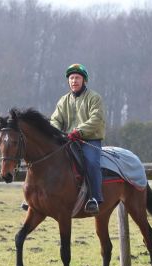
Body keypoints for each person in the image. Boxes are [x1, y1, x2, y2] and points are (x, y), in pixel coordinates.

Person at [50, 63, 106, 214]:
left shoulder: (94, 98)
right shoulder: (63, 101)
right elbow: (55, 119)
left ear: (84, 80)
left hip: (89, 140)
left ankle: (94, 198)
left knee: (92, 163)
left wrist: (79, 132)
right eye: (71, 78)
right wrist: (55, 131)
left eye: (77, 78)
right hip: (67, 140)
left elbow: (96, 119)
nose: (74, 81)